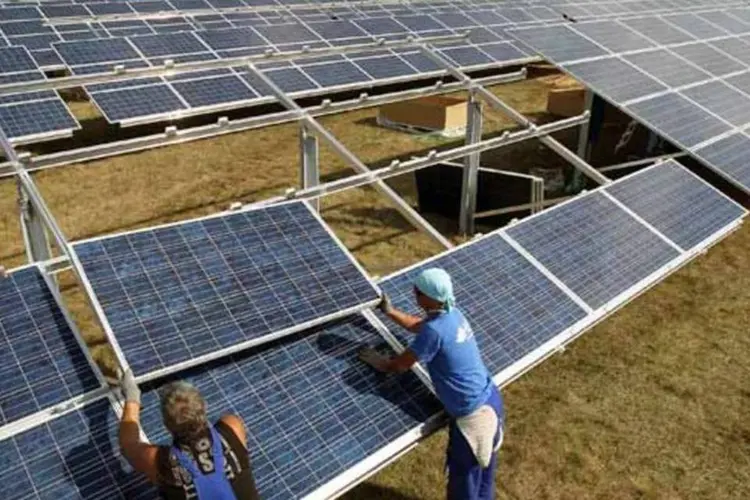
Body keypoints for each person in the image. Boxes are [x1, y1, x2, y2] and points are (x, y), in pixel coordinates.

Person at [359, 268, 504, 500]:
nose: (414, 294)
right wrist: (390, 311)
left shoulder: (435, 332)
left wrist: (383, 363)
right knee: (483, 475)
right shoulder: (453, 313)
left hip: (473, 418)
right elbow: (418, 325)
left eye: (418, 292)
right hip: (491, 400)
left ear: (429, 297)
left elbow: (401, 365)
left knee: (463, 485)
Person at [118, 370, 260, 500]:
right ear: (204, 407)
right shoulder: (233, 426)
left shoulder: (159, 461)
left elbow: (128, 445)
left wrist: (132, 397)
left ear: (167, 425)